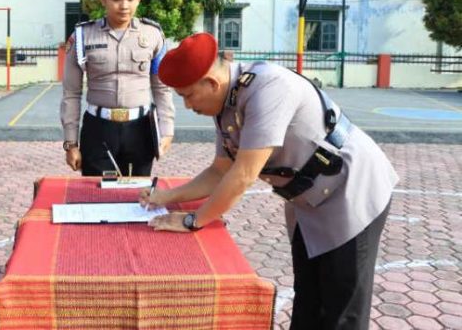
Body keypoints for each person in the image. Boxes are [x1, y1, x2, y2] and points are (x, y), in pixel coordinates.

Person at [142, 32, 399, 330]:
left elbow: (243, 175)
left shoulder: (266, 87)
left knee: (342, 310)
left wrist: (193, 221)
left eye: (187, 95)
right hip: (309, 200)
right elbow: (220, 170)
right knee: (308, 301)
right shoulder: (227, 102)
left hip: (351, 192)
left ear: (211, 83)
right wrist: (166, 198)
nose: (187, 106)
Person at [60, 0, 175, 176]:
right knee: (97, 196)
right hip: (98, 130)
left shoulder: (153, 35)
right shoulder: (82, 37)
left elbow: (162, 87)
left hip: (141, 130)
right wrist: (71, 143)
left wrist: (166, 129)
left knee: (138, 197)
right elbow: (71, 93)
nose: (124, 6)